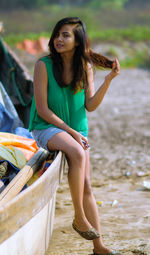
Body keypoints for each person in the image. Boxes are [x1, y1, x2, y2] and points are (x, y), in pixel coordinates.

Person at [29, 17, 121, 255]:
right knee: (77, 151)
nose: (59, 39)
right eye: (58, 34)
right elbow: (42, 110)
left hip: (77, 131)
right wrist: (70, 132)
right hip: (47, 127)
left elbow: (90, 105)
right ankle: (79, 217)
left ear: (78, 40)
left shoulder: (85, 66)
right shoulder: (43, 65)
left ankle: (98, 246)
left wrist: (108, 80)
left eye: (66, 35)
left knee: (88, 185)